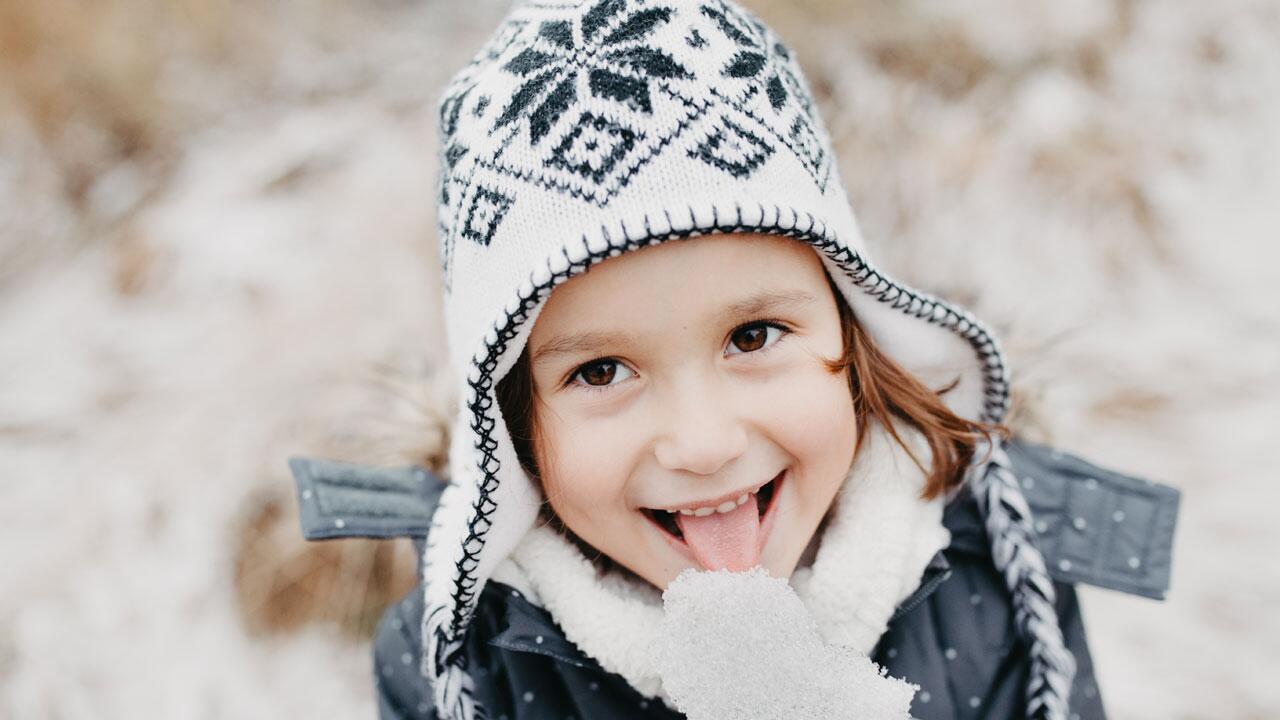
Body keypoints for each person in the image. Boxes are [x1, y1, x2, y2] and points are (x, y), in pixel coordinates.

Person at [288, 1, 1181, 718]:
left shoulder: (996, 579)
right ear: (515, 428)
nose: (704, 443)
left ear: (854, 330)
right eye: (600, 372)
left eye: (752, 337)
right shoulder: (467, 670)